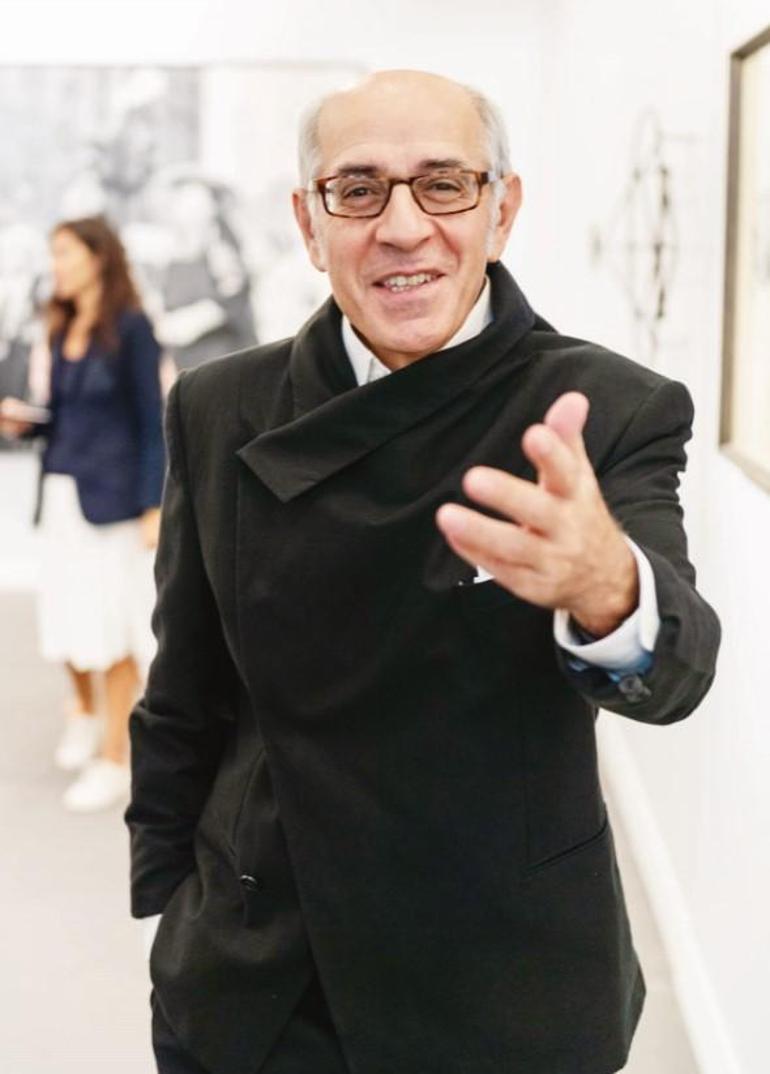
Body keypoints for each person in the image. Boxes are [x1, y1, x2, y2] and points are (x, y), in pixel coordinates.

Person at [124, 70, 721, 1074]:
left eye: (443, 184)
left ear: (502, 210)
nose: (403, 228)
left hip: (501, 973)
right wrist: (170, 896)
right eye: (357, 190)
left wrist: (607, 589)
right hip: (261, 968)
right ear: (310, 226)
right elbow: (184, 682)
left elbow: (677, 674)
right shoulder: (220, 404)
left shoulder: (606, 405)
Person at [0, 215, 165, 812]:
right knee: (68, 622)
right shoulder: (63, 325)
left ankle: (114, 758)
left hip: (114, 505)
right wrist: (29, 424)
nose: (57, 266)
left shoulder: (133, 327)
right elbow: (68, 418)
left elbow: (152, 422)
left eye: (65, 254)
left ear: (98, 258)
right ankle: (85, 711)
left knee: (113, 628)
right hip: (63, 499)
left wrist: (153, 504)